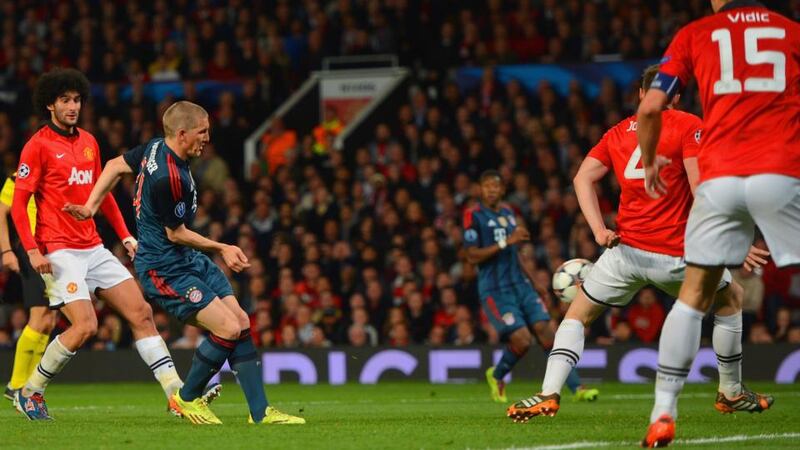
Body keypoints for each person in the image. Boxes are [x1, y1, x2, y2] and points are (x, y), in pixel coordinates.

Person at [506, 64, 769, 423]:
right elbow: (701, 192)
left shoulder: (616, 133)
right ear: (675, 98)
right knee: (732, 297)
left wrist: (599, 231)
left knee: (577, 315)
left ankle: (548, 393)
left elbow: (582, 178)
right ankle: (731, 392)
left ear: (641, 94)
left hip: (625, 253)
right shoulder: (689, 125)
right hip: (676, 256)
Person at [65, 101, 304, 425]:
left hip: (185, 260)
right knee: (228, 328)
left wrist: (92, 206)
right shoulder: (169, 177)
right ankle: (186, 398)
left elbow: (113, 165)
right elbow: (175, 233)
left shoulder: (155, 148)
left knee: (241, 322)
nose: (207, 138)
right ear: (182, 134)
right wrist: (222, 247)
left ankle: (260, 413)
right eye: (202, 132)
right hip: (163, 268)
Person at [637, 1, 798, 446]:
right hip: (781, 171)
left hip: (720, 177)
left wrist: (650, 160)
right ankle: (727, 391)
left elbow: (651, 108)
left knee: (693, 294)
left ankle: (663, 411)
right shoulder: (791, 32)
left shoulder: (695, 34)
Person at [11, 68, 187, 421]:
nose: (73, 106)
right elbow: (18, 204)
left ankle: (176, 395)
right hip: (59, 249)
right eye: (65, 100)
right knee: (85, 326)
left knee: (142, 313)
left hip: (93, 247)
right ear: (50, 104)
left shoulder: (89, 142)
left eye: (76, 100)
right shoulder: (37, 145)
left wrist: (124, 234)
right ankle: (30, 392)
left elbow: (102, 194)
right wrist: (32, 249)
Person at [463, 170, 598, 404]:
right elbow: (472, 256)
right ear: (480, 189)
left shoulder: (507, 213)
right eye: (487, 186)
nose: (492, 190)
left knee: (548, 334)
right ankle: (496, 375)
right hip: (495, 290)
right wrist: (506, 241)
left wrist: (535, 282)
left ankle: (578, 388)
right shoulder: (473, 215)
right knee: (522, 340)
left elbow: (515, 253)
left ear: (502, 190)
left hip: (521, 285)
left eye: (496, 186)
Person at [0, 171, 56, 401]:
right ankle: (17, 385)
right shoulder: (19, 176)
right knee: (39, 315)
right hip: (32, 249)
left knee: (48, 321)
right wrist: (6, 251)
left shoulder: (56, 171)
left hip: (55, 250)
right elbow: (1, 212)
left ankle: (31, 386)